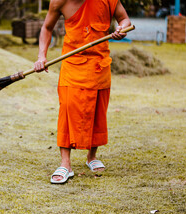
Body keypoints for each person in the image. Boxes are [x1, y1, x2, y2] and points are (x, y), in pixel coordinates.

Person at [34, 0, 130, 184]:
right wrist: (41, 56)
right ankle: (65, 164)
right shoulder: (59, 1)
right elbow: (47, 27)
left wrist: (121, 28)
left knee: (97, 111)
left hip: (99, 64)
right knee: (67, 109)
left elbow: (124, 19)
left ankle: (91, 157)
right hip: (72, 62)